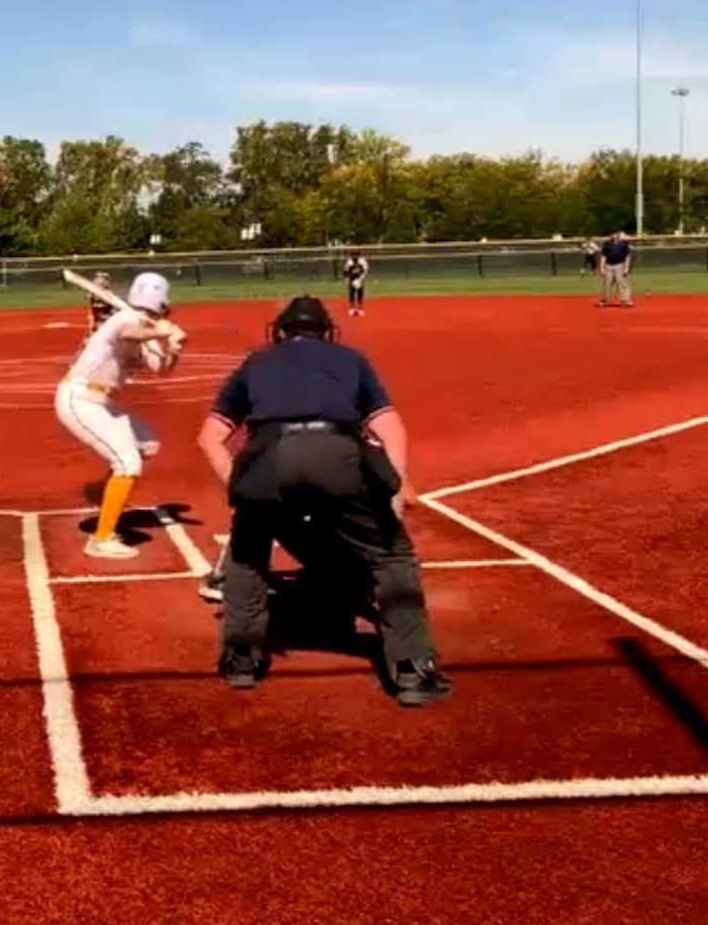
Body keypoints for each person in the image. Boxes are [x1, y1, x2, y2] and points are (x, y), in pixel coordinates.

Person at [195, 295, 450, 705]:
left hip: (268, 458)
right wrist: (396, 488)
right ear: (327, 332)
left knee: (247, 553)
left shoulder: (255, 363)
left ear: (280, 332)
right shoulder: (352, 359)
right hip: (338, 454)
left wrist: (243, 490)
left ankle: (241, 659)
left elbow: (209, 438)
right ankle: (412, 671)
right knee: (391, 557)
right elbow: (390, 428)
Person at [55, 272, 185, 560]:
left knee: (146, 444)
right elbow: (127, 333)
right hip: (80, 397)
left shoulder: (146, 330)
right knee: (128, 463)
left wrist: (174, 350)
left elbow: (161, 369)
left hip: (104, 402)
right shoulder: (124, 319)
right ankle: (101, 539)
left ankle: (101, 491)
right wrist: (160, 331)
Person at [598, 230, 633, 307]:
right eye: (611, 234)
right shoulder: (607, 243)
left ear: (617, 234)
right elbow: (603, 256)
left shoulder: (624, 243)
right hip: (608, 266)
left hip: (619, 265)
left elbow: (627, 256)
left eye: (615, 233)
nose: (613, 235)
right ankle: (604, 300)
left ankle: (625, 300)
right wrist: (602, 267)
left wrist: (626, 267)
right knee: (607, 283)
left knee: (622, 283)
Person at [341, 252, 369, 317]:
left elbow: (365, 271)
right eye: (353, 255)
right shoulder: (349, 262)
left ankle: (360, 308)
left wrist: (360, 279)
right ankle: (351, 308)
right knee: (352, 292)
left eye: (356, 255)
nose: (355, 257)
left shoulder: (362, 261)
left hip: (359, 278)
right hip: (351, 278)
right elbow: (345, 272)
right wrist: (347, 281)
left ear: (359, 255)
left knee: (360, 292)